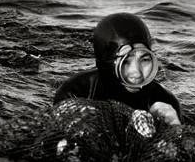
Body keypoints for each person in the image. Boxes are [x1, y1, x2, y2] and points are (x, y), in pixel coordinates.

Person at [53, 12, 182, 125]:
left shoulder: (165, 102)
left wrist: (173, 130)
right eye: (125, 61)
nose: (137, 74)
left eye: (145, 60)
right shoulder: (74, 93)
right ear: (106, 63)